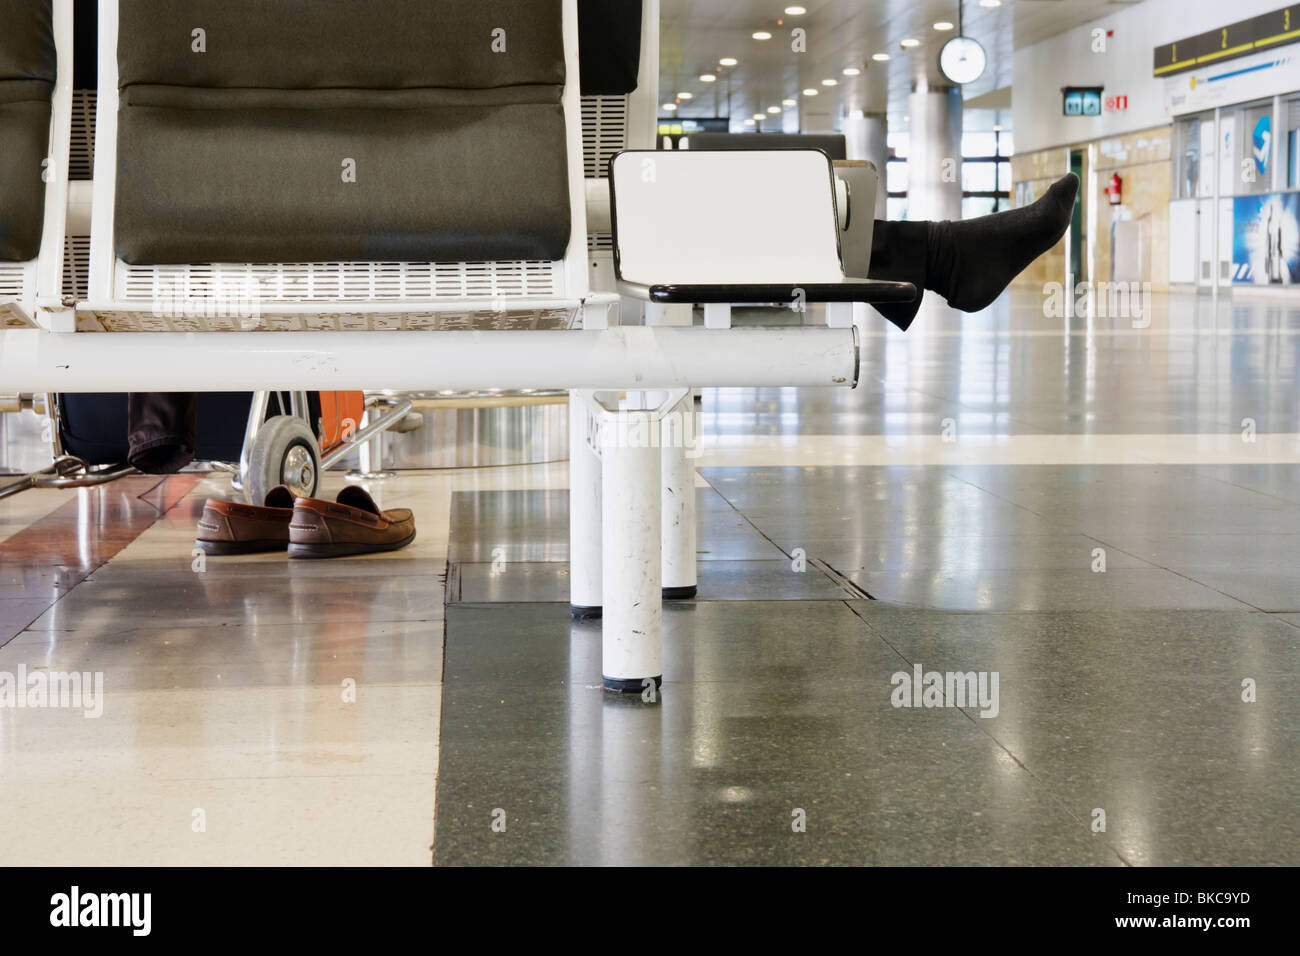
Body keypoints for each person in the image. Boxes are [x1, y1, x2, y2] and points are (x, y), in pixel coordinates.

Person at [125, 173, 1081, 473]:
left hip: (234, 215)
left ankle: (935, 263)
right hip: (461, 209)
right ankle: (937, 261)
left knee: (649, 189)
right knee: (657, 188)